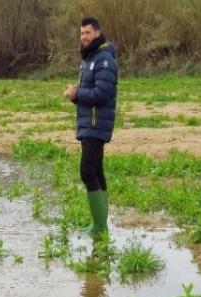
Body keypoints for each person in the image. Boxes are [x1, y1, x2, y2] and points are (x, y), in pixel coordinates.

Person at [64, 16, 118, 238]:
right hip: (90, 123)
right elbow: (91, 89)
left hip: (96, 124)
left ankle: (99, 226)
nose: (83, 37)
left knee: (87, 170)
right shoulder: (89, 59)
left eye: (87, 33)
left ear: (97, 32)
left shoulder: (104, 60)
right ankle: (101, 226)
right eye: (81, 33)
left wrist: (77, 94)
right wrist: (77, 93)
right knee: (96, 170)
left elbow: (103, 93)